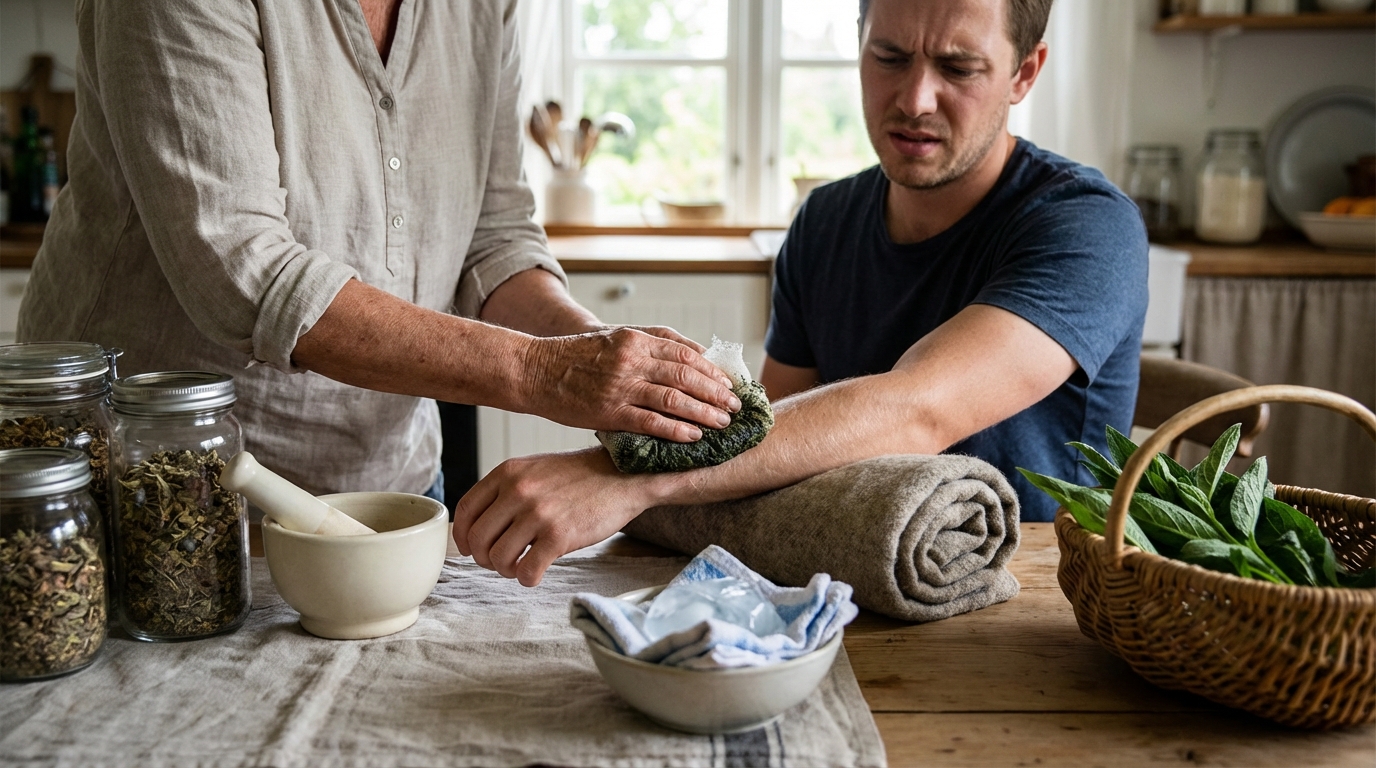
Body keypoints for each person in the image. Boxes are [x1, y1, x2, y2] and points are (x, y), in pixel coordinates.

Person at [453, 0, 1149, 586]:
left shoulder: (1089, 225)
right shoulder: (824, 221)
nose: (914, 99)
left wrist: (629, 479)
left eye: (959, 68)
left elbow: (921, 408)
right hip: (850, 583)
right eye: (889, 57)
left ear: (1025, 73)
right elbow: (770, 436)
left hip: (1040, 596)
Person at [16, 0, 741, 499]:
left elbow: (495, 236)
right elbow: (246, 271)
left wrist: (599, 350)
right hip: (164, 483)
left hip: (392, 480)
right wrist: (549, 372)